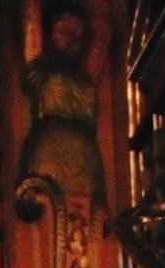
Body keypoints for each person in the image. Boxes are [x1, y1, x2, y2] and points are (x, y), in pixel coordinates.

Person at [18, 0, 107, 209]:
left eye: (77, 38)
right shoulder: (39, 70)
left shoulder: (86, 79)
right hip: (51, 150)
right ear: (49, 33)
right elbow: (31, 14)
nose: (71, 43)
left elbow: (104, 34)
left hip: (86, 155)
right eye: (64, 33)